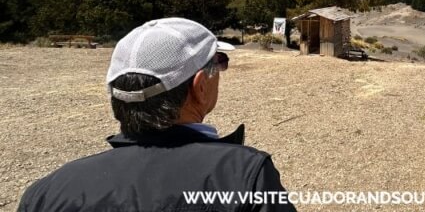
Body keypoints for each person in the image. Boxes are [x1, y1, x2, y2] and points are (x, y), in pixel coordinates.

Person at [19, 17, 296, 211]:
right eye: (219, 62)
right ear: (199, 87)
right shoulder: (245, 177)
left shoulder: (44, 193)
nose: (222, 70)